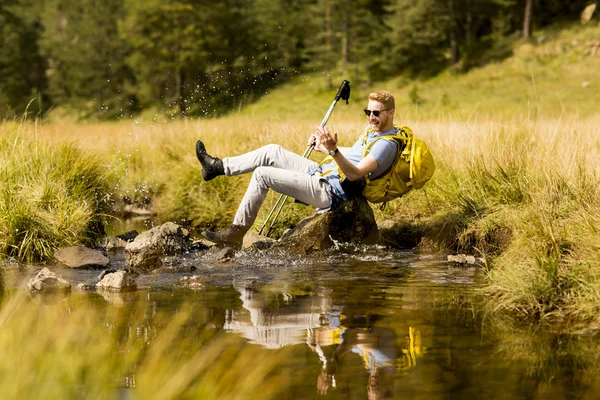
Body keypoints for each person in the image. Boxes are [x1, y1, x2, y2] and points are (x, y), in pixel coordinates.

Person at [196, 90, 400, 247]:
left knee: (262, 175)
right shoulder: (373, 132)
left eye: (376, 113)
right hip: (325, 173)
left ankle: (236, 234)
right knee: (272, 151)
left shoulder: (386, 145)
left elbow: (355, 174)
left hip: (332, 191)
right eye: (368, 112)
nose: (371, 117)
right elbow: (356, 155)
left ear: (390, 113)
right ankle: (217, 167)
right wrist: (323, 148)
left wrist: (333, 150)